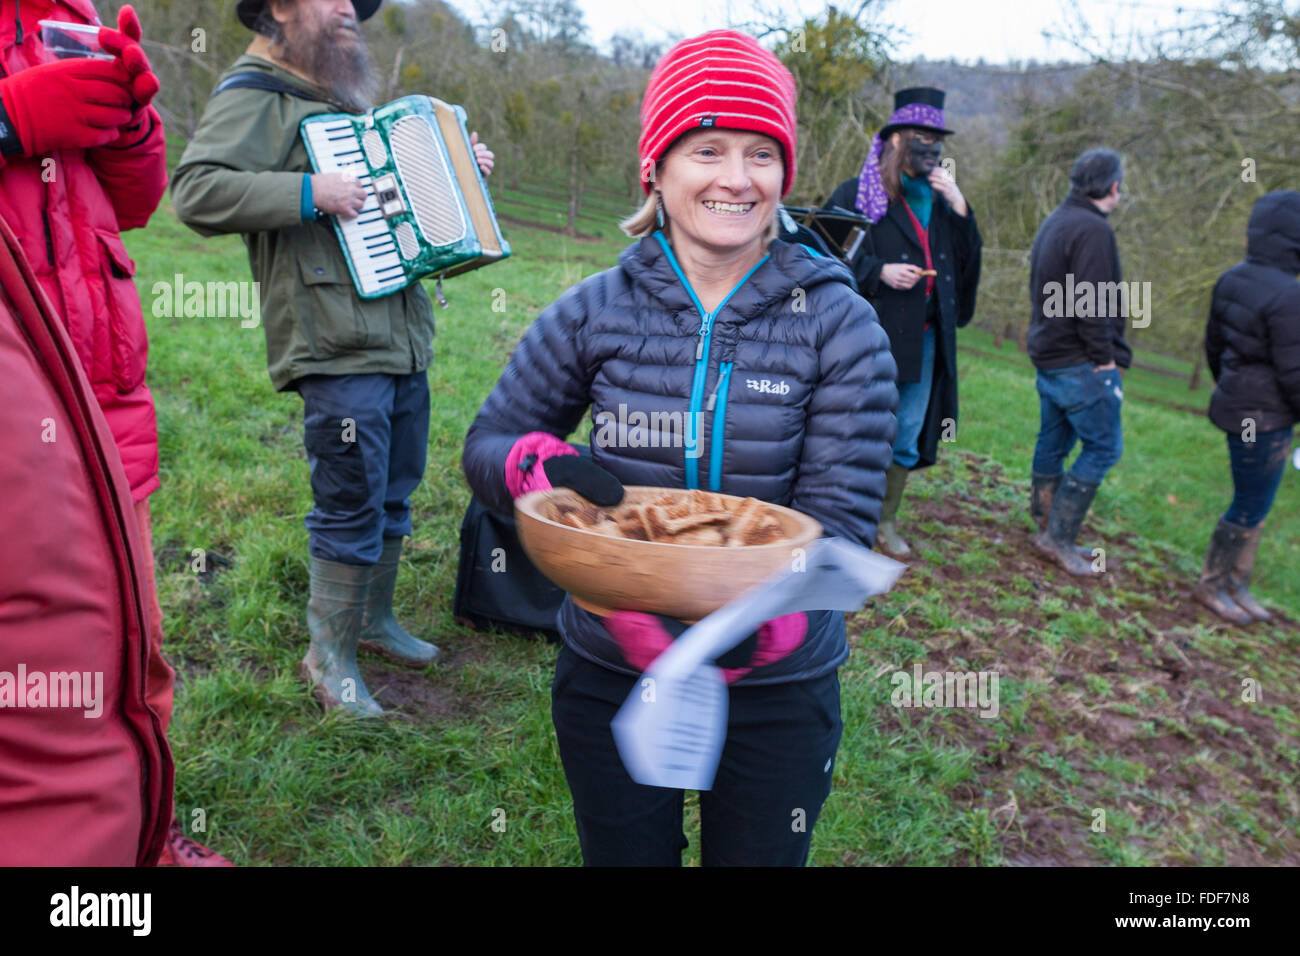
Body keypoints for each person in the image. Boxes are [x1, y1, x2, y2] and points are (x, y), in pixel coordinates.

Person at [462, 30, 898, 866]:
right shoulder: (595, 310)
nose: (737, 178)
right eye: (708, 149)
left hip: (776, 682)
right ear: (657, 169)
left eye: (761, 154)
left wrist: (759, 629)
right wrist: (537, 467)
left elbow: (839, 525)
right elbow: (490, 444)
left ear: (784, 176)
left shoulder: (841, 326)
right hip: (609, 664)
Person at [172, 0, 494, 716]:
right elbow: (194, 191)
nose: (348, 6)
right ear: (280, 7)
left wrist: (456, 168)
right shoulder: (254, 95)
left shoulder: (334, 95)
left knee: (394, 483)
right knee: (349, 493)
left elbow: (389, 199)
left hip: (398, 333)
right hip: (330, 338)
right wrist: (310, 192)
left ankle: (373, 623)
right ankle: (330, 655)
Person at [0, 0, 228, 865]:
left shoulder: (72, 12)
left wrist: (129, 128)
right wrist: (7, 120)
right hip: (18, 423)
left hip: (101, 404)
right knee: (37, 670)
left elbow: (128, 206)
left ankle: (144, 836)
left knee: (134, 646)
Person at [824, 87, 982, 556]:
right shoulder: (858, 193)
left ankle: (882, 521)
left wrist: (962, 211)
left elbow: (968, 266)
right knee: (850, 426)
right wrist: (878, 271)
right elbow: (821, 255)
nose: (930, 147)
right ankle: (836, 513)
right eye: (920, 136)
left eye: (937, 138)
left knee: (906, 432)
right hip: (866, 337)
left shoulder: (942, 201)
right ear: (894, 140)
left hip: (926, 340)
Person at [1194, 189, 1300, 623]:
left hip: (1241, 409)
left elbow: (1213, 347)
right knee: (1249, 504)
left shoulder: (1231, 278)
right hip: (1266, 418)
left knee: (1254, 501)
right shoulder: (1289, 296)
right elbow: (1295, 374)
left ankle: (1237, 584)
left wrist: (1232, 390)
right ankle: (1212, 584)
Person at [1026, 148, 1130, 576]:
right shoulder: (1092, 230)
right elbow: (1091, 301)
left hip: (1049, 352)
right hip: (1077, 359)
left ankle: (1045, 523)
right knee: (1104, 446)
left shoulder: (1057, 220)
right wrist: (1104, 358)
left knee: (1054, 438)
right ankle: (1058, 538)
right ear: (1114, 187)